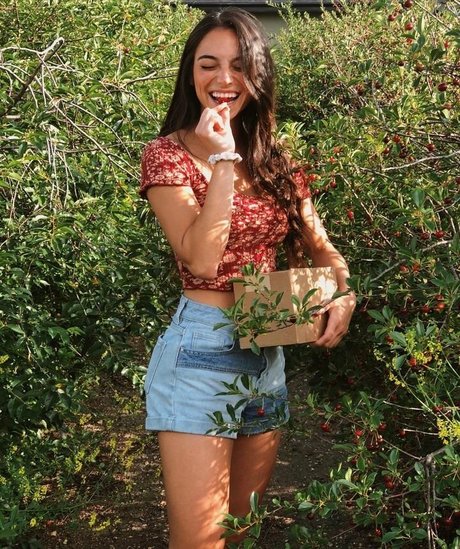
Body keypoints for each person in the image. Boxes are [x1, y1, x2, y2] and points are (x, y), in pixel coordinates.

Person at [139, 7, 356, 548]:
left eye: (239, 65)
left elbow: (321, 248)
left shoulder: (275, 159)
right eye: (208, 64)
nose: (224, 78)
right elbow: (202, 260)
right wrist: (222, 160)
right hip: (200, 354)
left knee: (242, 535)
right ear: (190, 72)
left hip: (267, 356)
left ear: (258, 74)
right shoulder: (167, 155)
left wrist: (343, 294)